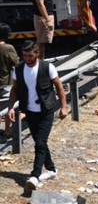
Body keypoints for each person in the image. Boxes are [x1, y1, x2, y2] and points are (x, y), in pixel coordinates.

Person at [7, 40, 69, 191]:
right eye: (24, 55)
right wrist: (10, 108)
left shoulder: (47, 67)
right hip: (30, 111)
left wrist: (64, 106)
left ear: (37, 53)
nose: (27, 58)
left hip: (46, 110)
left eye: (30, 55)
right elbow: (14, 89)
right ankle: (52, 170)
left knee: (40, 143)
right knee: (40, 142)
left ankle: (35, 175)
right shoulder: (19, 69)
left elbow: (59, 87)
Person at [0, 23, 18, 139]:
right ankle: (7, 131)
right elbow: (16, 63)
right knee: (7, 106)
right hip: (5, 82)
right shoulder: (7, 48)